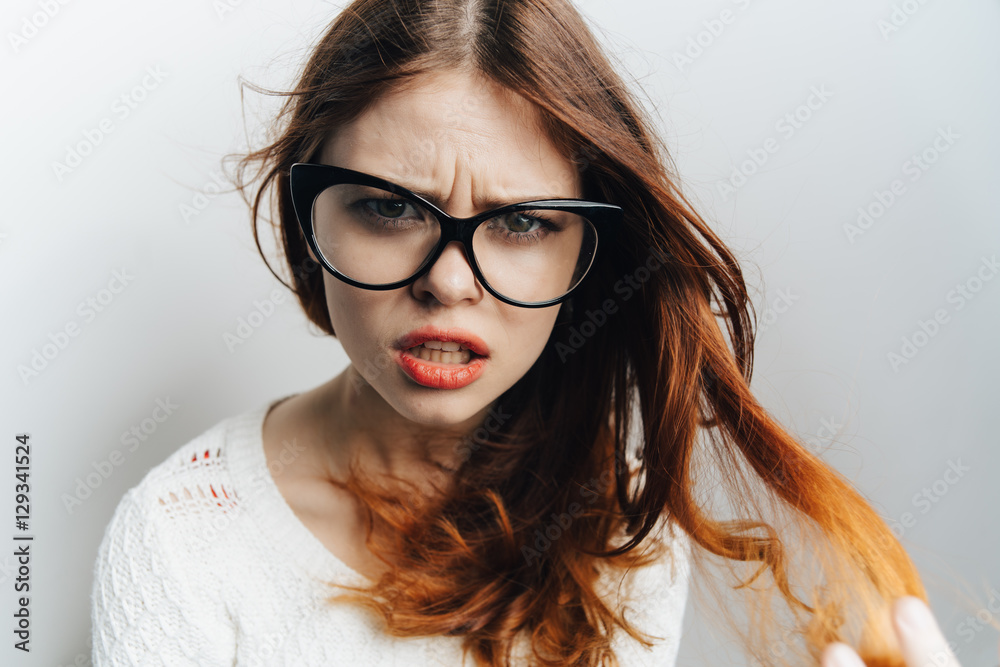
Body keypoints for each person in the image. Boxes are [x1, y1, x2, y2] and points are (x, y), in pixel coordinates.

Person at [89, 1, 996, 666]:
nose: (446, 280)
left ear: (587, 258)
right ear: (308, 224)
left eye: (521, 223)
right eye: (386, 208)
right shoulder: (178, 546)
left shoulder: (621, 526)